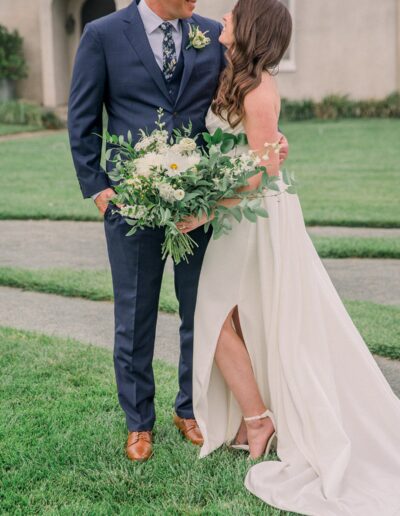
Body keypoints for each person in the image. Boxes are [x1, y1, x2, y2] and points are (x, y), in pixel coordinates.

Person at [177, 0, 400, 514]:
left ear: (250, 26)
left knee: (223, 316)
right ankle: (253, 418)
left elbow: (260, 174)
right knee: (228, 316)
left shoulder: (257, 92)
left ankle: (259, 419)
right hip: (240, 218)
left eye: (233, 14)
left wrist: (203, 210)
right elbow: (250, 154)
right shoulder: (238, 78)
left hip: (256, 219)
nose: (223, 20)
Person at [68, 0, 289, 463]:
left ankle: (189, 410)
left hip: (201, 204)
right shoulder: (103, 35)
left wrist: (267, 147)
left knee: (202, 309)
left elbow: (246, 94)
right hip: (131, 204)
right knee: (134, 313)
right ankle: (138, 423)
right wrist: (100, 191)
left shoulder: (211, 34)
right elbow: (83, 119)